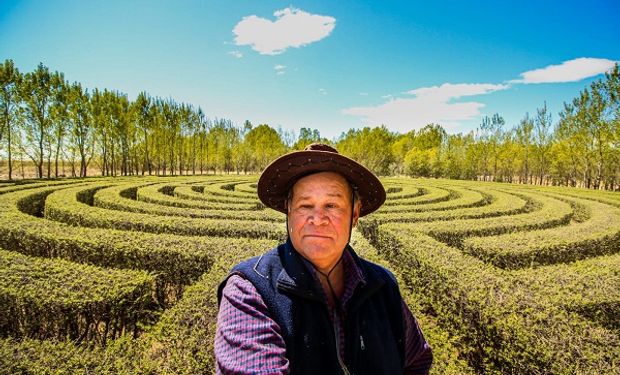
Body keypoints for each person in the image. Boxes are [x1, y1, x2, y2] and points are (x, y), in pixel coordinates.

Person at [215, 143, 432, 374]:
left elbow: (417, 360)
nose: (318, 219)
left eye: (332, 205)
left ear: (355, 213)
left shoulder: (383, 285)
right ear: (288, 209)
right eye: (305, 205)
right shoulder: (249, 290)